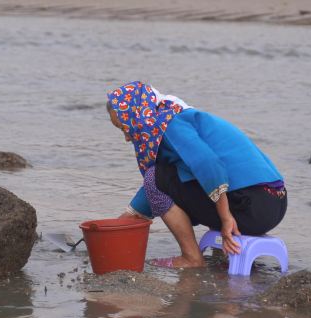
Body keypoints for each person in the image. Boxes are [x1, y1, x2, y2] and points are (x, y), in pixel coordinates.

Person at [108, 81, 286, 268]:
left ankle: (191, 258)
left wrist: (225, 219)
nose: (127, 137)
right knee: (174, 179)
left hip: (252, 206)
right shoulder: (172, 116)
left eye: (124, 127)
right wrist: (118, 224)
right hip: (274, 203)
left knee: (155, 178)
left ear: (136, 117)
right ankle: (221, 255)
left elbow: (209, 165)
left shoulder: (170, 125)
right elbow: (166, 184)